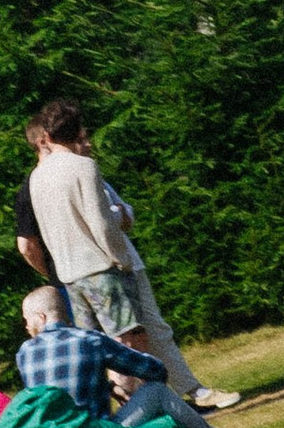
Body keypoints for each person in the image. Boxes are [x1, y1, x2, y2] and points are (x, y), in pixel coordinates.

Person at [21, 103, 239, 411]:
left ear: (48, 135)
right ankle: (146, 410)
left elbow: (46, 231)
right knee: (129, 345)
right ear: (75, 131)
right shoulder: (83, 167)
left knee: (96, 349)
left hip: (70, 277)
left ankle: (114, 412)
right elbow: (102, 223)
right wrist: (119, 258)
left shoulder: (37, 177)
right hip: (101, 269)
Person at [16, 284, 253, 428]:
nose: (26, 326)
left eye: (27, 319)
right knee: (157, 392)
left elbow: (58, 391)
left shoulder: (24, 354)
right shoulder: (90, 340)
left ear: (42, 316)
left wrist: (107, 385)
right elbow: (154, 370)